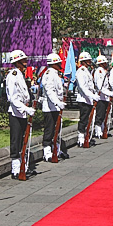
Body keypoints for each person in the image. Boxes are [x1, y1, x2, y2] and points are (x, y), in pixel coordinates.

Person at [5, 50, 36, 179]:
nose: (25, 62)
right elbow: (13, 98)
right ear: (17, 62)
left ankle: (23, 165)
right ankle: (16, 169)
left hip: (22, 112)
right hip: (16, 112)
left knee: (23, 139)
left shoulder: (20, 74)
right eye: (23, 60)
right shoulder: (12, 75)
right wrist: (25, 108)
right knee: (16, 140)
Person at [41, 53, 69, 162]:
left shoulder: (55, 73)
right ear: (54, 63)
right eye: (59, 62)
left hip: (56, 107)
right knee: (49, 130)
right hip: (50, 107)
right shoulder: (49, 74)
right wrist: (57, 102)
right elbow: (50, 91)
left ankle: (56, 150)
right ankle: (47, 153)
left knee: (57, 129)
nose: (60, 64)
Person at [75, 51, 100, 147]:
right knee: (83, 119)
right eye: (87, 60)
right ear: (83, 61)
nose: (90, 62)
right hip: (83, 99)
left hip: (88, 99)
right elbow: (83, 87)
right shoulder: (80, 72)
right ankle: (81, 138)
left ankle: (86, 136)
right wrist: (93, 96)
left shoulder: (86, 71)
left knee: (88, 120)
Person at [93, 55, 113, 139]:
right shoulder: (99, 71)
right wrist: (109, 93)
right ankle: (98, 131)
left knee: (104, 114)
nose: (106, 64)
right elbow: (100, 86)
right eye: (105, 62)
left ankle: (102, 129)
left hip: (104, 97)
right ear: (102, 63)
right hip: (101, 97)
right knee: (100, 115)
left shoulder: (103, 71)